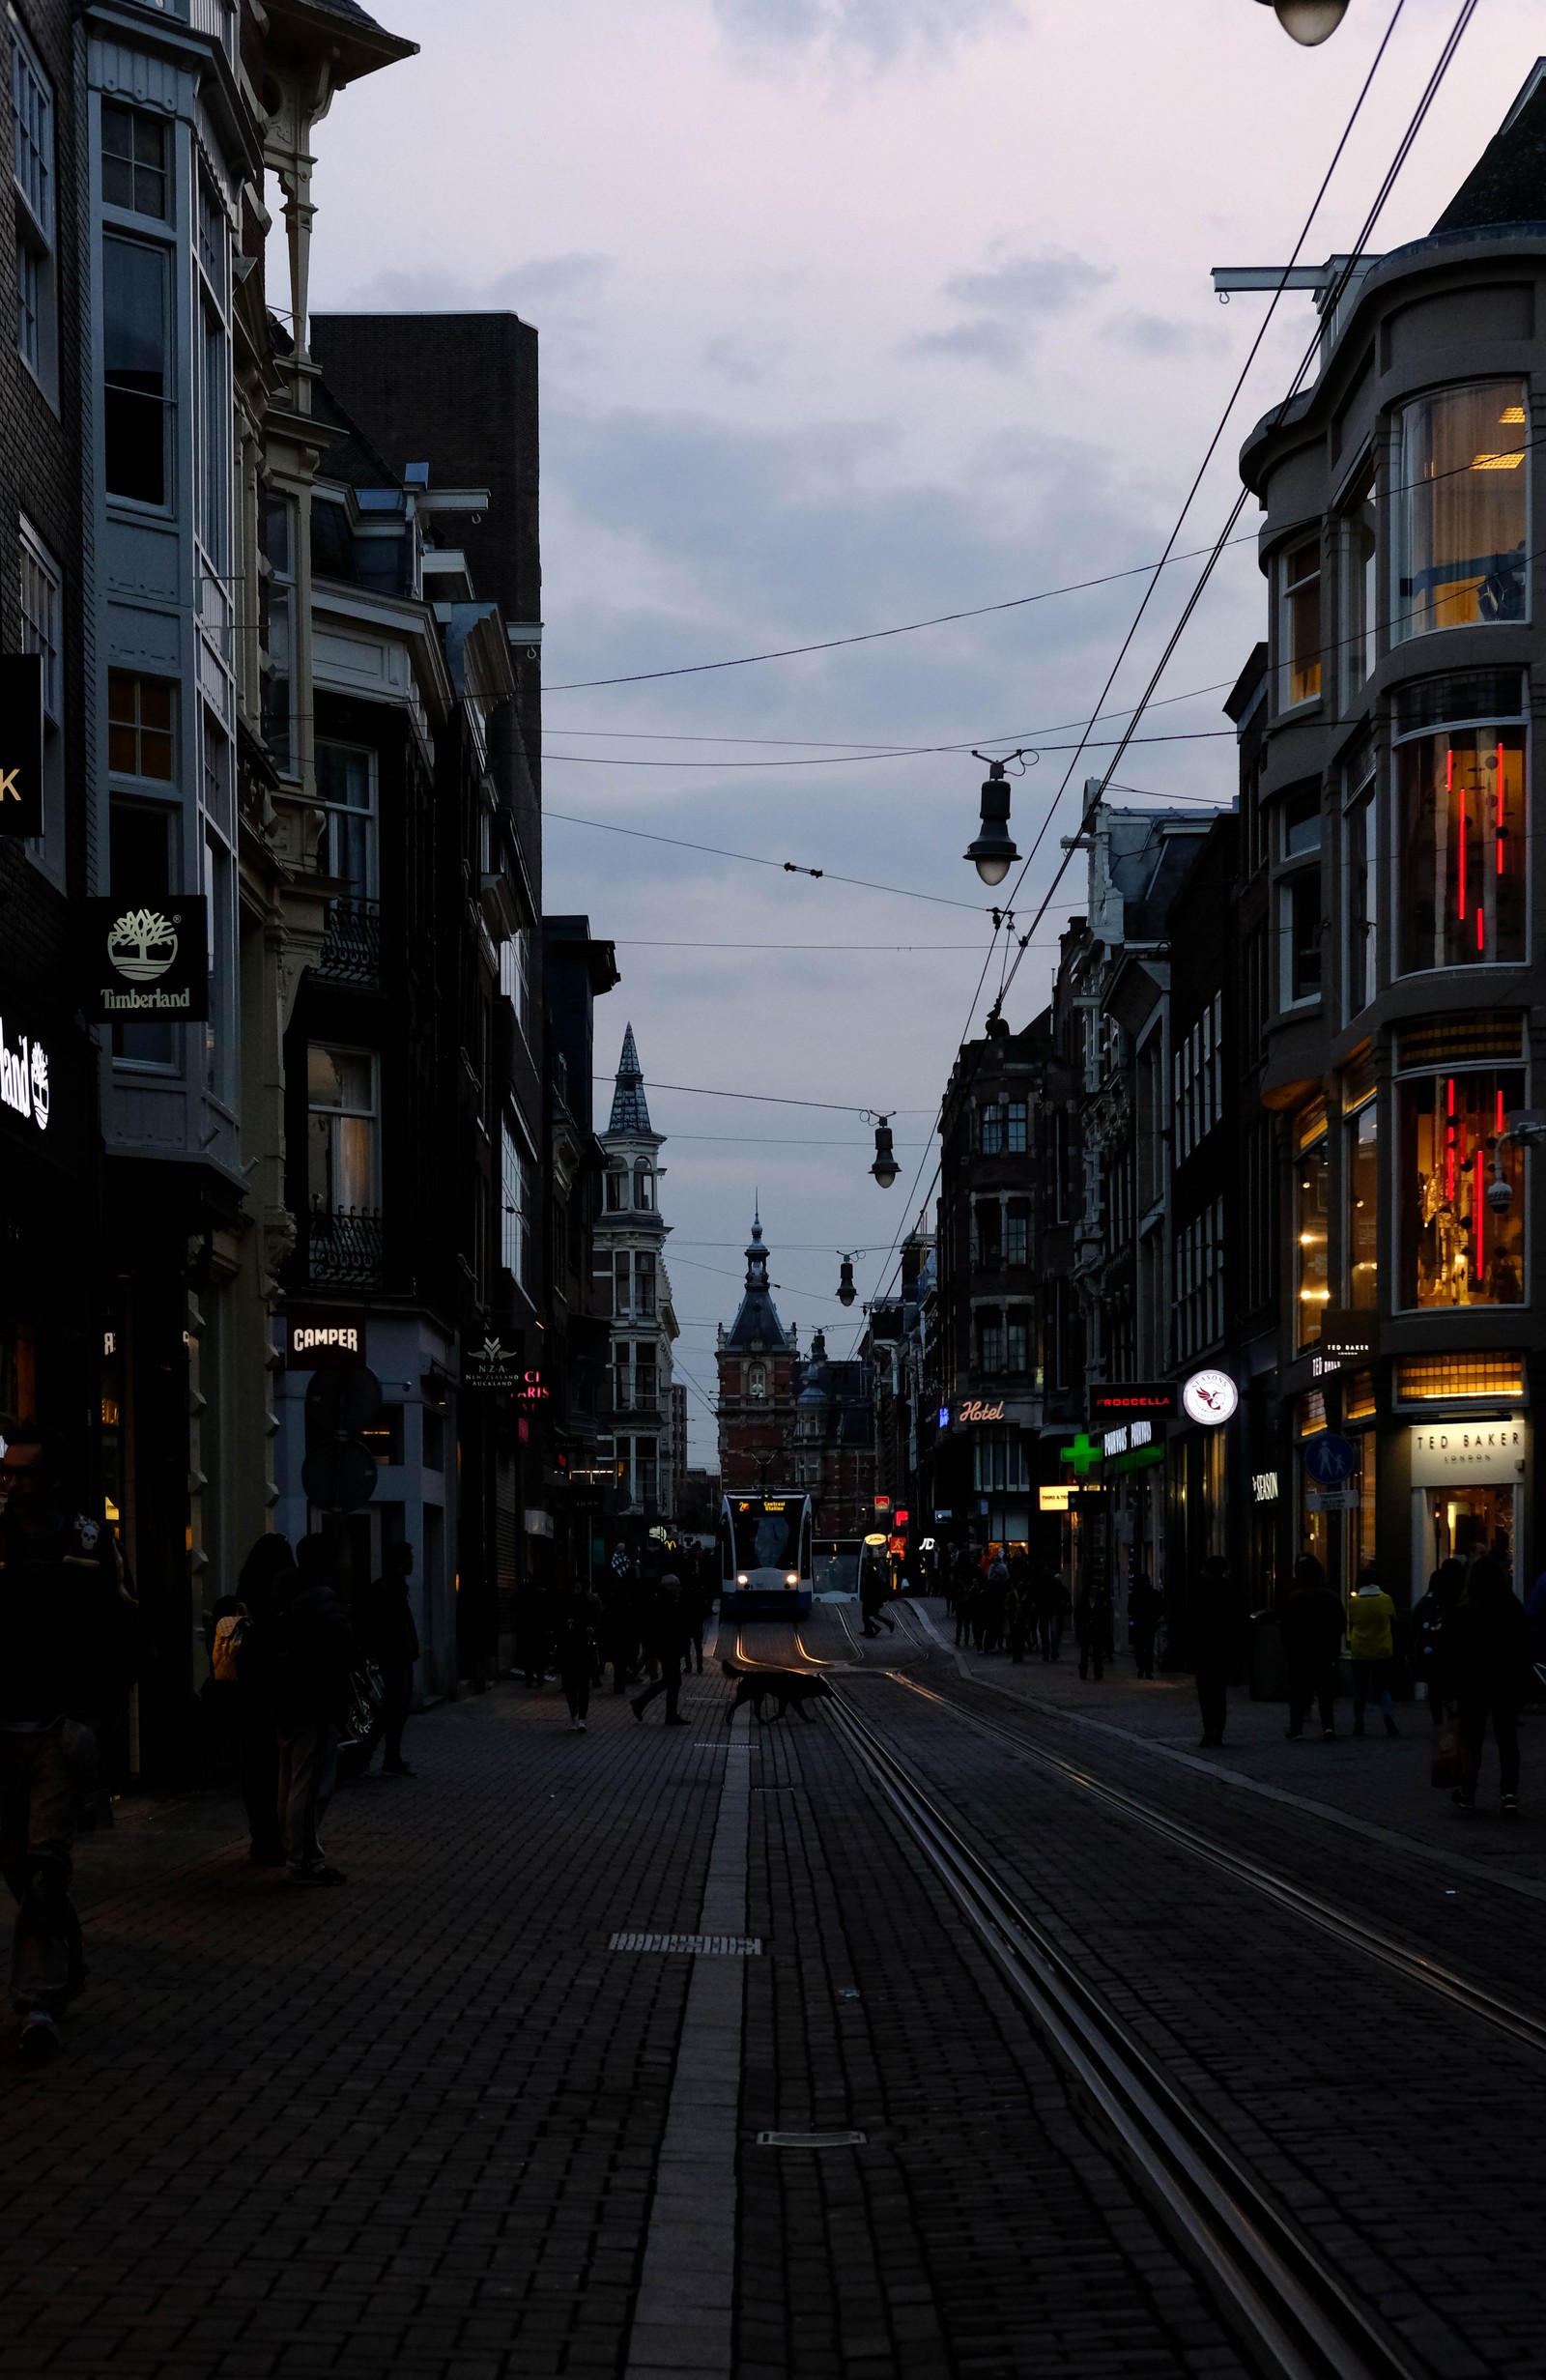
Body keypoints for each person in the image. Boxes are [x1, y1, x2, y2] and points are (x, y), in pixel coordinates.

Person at [0, 1433, 138, 2063]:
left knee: (45, 1861)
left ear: (52, 1480)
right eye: (8, 1473)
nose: (14, 1483)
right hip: (3, 1728)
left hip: (58, 1727)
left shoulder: (89, 1542)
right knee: (19, 1864)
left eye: (25, 1473)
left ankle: (36, 1999)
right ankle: (67, 1956)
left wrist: (96, 1715)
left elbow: (126, 1628)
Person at [276, 1534, 358, 1884]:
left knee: (292, 1781)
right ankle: (305, 1859)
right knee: (310, 1786)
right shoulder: (323, 1599)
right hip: (317, 1701)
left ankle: (296, 1851)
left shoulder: (288, 1594)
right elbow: (346, 1650)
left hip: (292, 1701)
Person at [208, 1535, 293, 1862]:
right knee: (278, 1769)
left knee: (253, 1769)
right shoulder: (281, 1602)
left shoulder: (242, 1599)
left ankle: (260, 1835)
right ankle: (278, 1836)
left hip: (242, 1696)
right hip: (273, 1695)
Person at [1445, 1554, 1532, 1814]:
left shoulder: (1466, 1610)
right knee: (1507, 1739)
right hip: (1505, 1682)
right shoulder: (1513, 1608)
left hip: (1474, 1683)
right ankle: (1509, 1793)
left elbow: (1454, 1652)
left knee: (1472, 1738)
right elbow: (1525, 1646)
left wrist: (1452, 1687)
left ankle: (1469, 1790)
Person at [354, 1542, 419, 1777]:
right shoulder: (386, 1589)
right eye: (409, 1557)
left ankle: (381, 1756)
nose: (412, 1561)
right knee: (390, 1709)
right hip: (393, 1660)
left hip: (399, 1658)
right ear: (402, 1561)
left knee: (395, 1710)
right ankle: (369, 1755)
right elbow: (382, 1628)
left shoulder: (393, 1588)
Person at [1278, 1553, 1342, 1741]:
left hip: (1299, 1651)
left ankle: (1297, 1729)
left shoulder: (1295, 1598)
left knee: (1297, 1691)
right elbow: (1340, 1623)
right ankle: (1328, 1727)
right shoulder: (1330, 1596)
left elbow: (1286, 1626)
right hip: (1323, 1650)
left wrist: (1289, 1646)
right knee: (1324, 1691)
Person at [1411, 1556, 1465, 1731]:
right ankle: (1452, 1712)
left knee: (1434, 1688)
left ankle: (1439, 1720)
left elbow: (1416, 1624)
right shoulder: (1459, 1600)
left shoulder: (1427, 1601)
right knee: (1453, 1684)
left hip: (1431, 1650)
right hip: (1451, 1649)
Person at [1188, 1555, 1236, 1747]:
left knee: (1206, 1693)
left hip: (1205, 1651)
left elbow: (1193, 1622)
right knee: (1219, 1693)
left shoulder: (1200, 1591)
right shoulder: (1229, 1590)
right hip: (1222, 1651)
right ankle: (1218, 1730)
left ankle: (1210, 1729)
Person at [1347, 1565, 1399, 1737]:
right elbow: (1393, 1622)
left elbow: (1351, 1624)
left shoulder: (1354, 1603)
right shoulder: (1386, 1599)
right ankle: (1388, 1717)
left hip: (1360, 1650)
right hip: (1383, 1649)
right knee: (1384, 1688)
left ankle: (1358, 1723)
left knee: (1360, 1690)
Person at [632, 1574, 691, 1725]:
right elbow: (668, 1627)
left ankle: (654, 1707)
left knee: (672, 1680)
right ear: (669, 1587)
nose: (680, 1589)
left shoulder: (663, 1600)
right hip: (668, 1648)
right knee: (673, 1680)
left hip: (668, 1648)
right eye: (676, 1586)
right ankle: (647, 1704)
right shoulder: (665, 1603)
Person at [555, 1578, 605, 1730]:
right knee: (570, 1685)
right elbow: (557, 1625)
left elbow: (599, 1623)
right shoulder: (562, 1605)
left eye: (578, 1588)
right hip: (567, 1649)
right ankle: (574, 1714)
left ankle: (582, 1718)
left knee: (583, 1685)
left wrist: (592, 1630)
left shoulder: (588, 1604)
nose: (576, 1591)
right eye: (573, 1588)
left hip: (583, 1649)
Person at [1128, 1570, 1163, 1680]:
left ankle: (1142, 1669)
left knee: (1140, 1648)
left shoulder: (1135, 1595)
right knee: (1148, 1648)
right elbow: (1161, 1608)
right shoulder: (1155, 1594)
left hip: (1140, 1624)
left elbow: (1130, 1609)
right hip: (1149, 1624)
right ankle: (1148, 1670)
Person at [1074, 1580, 1111, 1681]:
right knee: (1084, 1652)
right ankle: (1083, 1672)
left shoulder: (1100, 1603)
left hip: (1096, 1631)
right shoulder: (1083, 1601)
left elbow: (1104, 1616)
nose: (1093, 1592)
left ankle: (1098, 1673)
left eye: (1095, 1590)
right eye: (1092, 1589)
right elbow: (1077, 1615)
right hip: (1085, 1630)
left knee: (1097, 1653)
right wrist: (1083, 1623)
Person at [860, 1553, 896, 1640]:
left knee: (866, 1617)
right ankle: (871, 1629)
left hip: (871, 1601)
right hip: (873, 1601)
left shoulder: (870, 1579)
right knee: (873, 1616)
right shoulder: (874, 1577)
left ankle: (874, 1629)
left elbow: (868, 1590)